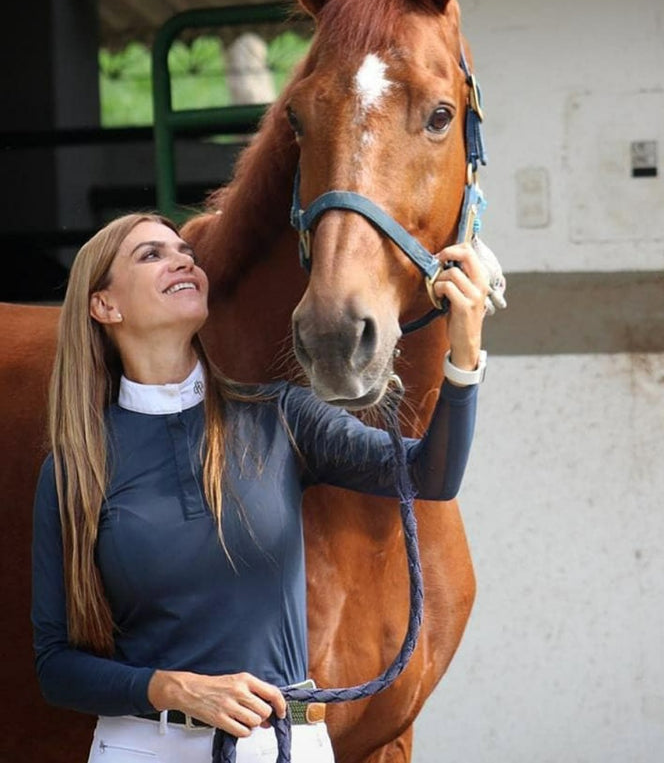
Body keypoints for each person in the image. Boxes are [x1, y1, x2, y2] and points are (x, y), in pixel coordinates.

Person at [31, 212, 489, 763]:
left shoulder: (282, 417)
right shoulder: (75, 467)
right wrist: (171, 689)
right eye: (151, 255)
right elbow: (55, 668)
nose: (182, 260)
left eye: (184, 252)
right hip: (143, 748)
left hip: (285, 745)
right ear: (105, 305)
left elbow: (429, 477)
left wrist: (463, 357)